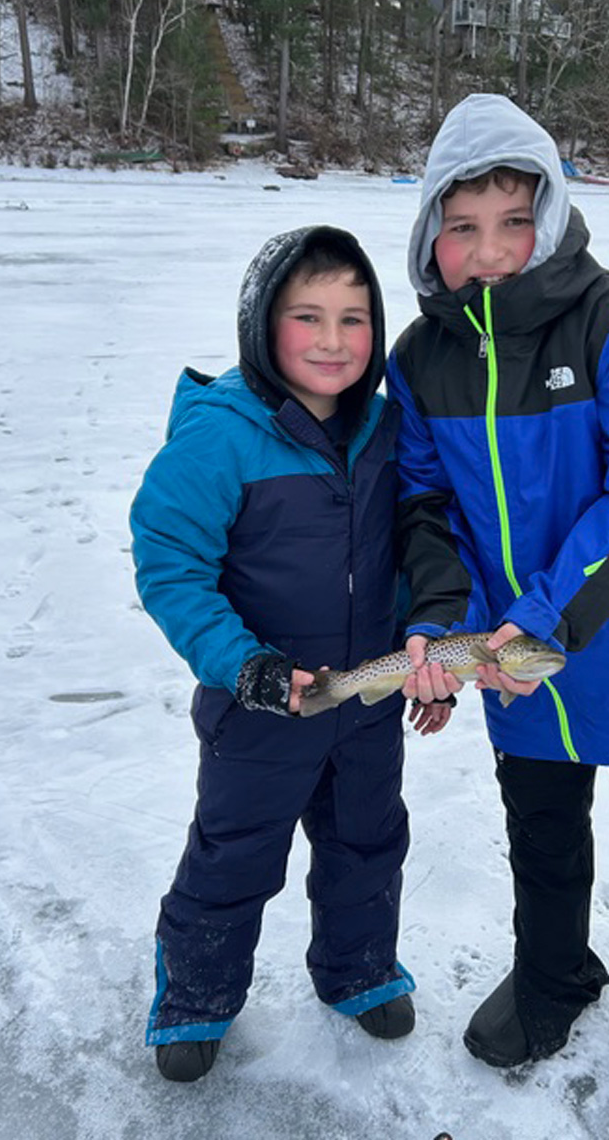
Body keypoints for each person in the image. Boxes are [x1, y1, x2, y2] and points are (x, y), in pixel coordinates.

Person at [387, 94, 609, 1130]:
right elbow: (425, 504)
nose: (490, 250)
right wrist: (442, 620)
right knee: (541, 834)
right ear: (430, 232)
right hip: (518, 658)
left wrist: (541, 619)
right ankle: (553, 976)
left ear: (549, 216)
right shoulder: (421, 359)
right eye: (463, 226)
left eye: (514, 220)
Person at [131, 225, 450, 1084]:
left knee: (367, 845)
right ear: (262, 326)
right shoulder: (221, 435)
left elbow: (418, 549)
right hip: (260, 708)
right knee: (233, 855)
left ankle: (360, 970)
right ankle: (195, 998)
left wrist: (428, 656)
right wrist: (248, 667)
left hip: (367, 703)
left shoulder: (387, 429)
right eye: (307, 317)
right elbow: (172, 566)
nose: (332, 341)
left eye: (354, 318)